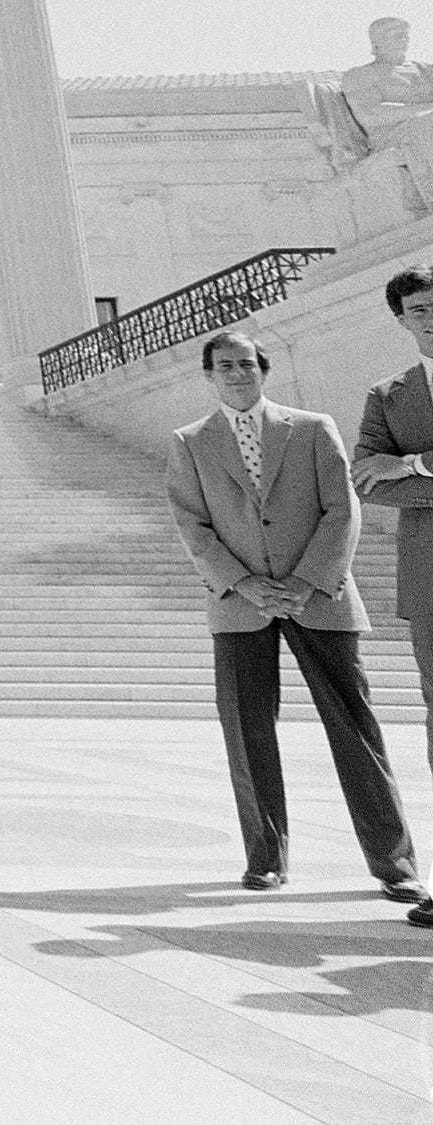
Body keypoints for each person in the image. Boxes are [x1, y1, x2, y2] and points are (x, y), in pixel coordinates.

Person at [167, 330, 423, 907]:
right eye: (224, 366)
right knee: (247, 731)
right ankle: (265, 858)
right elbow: (192, 524)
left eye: (246, 364)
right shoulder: (190, 442)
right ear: (209, 375)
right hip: (240, 605)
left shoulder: (311, 428)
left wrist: (306, 581)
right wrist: (245, 583)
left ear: (265, 370)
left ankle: (394, 864)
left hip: (320, 596)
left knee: (355, 729)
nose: (237, 374)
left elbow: (342, 506)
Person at [355, 265, 433, 925]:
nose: (430, 315)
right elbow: (367, 482)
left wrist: (416, 463)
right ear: (402, 319)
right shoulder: (388, 395)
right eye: (418, 308)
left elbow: (394, 475)